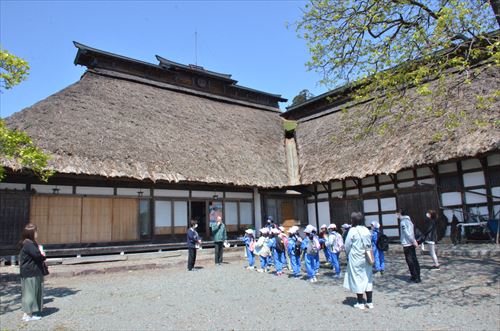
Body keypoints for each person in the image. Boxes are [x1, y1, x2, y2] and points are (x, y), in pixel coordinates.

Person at [343, 212, 374, 310]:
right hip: (367, 255)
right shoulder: (366, 230)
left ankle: (360, 302)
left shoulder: (352, 230)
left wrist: (347, 253)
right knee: (368, 277)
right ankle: (369, 301)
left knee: (357, 278)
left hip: (356, 256)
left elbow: (347, 244)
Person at [19, 223, 47, 321]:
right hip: (31, 271)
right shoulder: (29, 244)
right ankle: (27, 315)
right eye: (35, 231)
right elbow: (38, 256)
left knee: (30, 292)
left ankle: (28, 313)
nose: (37, 233)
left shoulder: (27, 243)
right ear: (31, 233)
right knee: (30, 293)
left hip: (30, 271)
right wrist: (43, 255)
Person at [398, 209, 421, 283]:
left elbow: (407, 233)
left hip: (408, 243)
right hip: (410, 242)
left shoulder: (403, 222)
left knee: (410, 260)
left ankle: (416, 276)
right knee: (413, 259)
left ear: (400, 214)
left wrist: (413, 241)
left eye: (397, 213)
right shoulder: (409, 221)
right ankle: (415, 275)